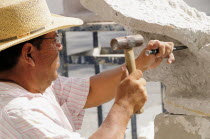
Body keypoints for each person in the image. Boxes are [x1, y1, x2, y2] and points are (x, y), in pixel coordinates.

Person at [0, 0, 175, 138]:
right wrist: (124, 106)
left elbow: (91, 90)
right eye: (54, 39)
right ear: (28, 54)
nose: (60, 46)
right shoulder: (18, 113)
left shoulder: (34, 86)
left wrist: (141, 63)